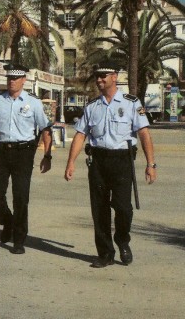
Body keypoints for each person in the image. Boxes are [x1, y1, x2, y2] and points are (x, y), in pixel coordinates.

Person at [64, 60, 157, 268]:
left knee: (123, 208)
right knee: (99, 209)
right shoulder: (92, 107)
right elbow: (80, 135)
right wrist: (71, 162)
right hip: (98, 161)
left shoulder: (131, 103)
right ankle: (105, 253)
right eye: (97, 76)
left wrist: (151, 164)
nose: (99, 80)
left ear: (114, 77)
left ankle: (122, 240)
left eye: (103, 76)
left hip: (122, 161)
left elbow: (144, 134)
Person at [0, 64, 53, 254]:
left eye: (16, 78)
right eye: (9, 78)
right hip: (1, 151)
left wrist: (47, 155)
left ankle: (19, 239)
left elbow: (45, 128)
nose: (11, 81)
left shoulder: (33, 102)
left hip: (23, 153)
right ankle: (8, 222)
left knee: (20, 196)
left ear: (23, 80)